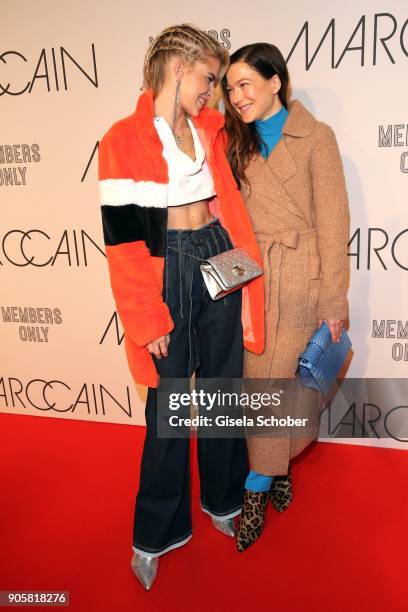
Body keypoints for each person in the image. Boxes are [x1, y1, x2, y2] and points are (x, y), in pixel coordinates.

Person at [97, 25, 265, 589]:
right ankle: (156, 532)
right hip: (164, 269)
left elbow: (230, 206)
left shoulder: (211, 130)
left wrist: (245, 281)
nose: (213, 93)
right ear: (178, 67)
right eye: (209, 79)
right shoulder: (122, 138)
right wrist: (146, 318)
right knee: (167, 410)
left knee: (221, 388)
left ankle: (222, 499)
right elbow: (122, 242)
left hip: (217, 255)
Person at [221, 43, 350, 551]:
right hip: (250, 278)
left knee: (272, 386)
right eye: (230, 89)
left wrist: (333, 302)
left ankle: (256, 487)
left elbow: (334, 224)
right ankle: (276, 468)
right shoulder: (236, 145)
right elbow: (230, 222)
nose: (236, 97)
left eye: (245, 84)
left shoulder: (317, 138)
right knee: (263, 389)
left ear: (276, 81)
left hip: (299, 278)